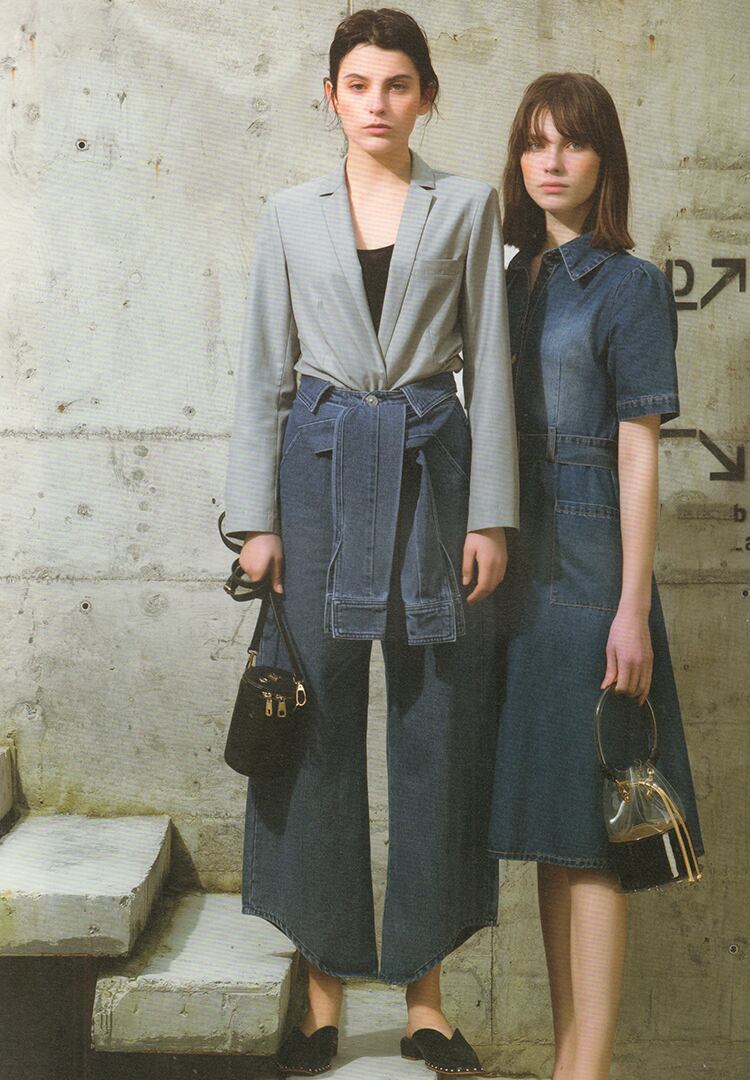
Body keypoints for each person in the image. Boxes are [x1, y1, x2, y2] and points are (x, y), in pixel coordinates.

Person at [224, 8, 518, 1076]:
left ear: (427, 95)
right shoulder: (288, 214)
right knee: (319, 723)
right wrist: (256, 521)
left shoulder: (468, 205)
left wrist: (490, 515)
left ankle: (426, 1001)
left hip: (435, 475)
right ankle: (322, 995)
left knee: (436, 720)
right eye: (358, 84)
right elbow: (264, 370)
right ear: (331, 96)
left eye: (398, 84)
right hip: (315, 475)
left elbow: (490, 361)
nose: (377, 103)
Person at [487, 72, 704, 1080]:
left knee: (594, 832)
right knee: (551, 833)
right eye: (535, 142)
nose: (552, 161)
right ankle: (568, 1061)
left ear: (604, 159)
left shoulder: (631, 284)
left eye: (571, 143)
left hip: (590, 577)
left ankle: (590, 1068)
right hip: (516, 575)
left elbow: (638, 450)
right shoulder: (508, 279)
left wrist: (631, 609)